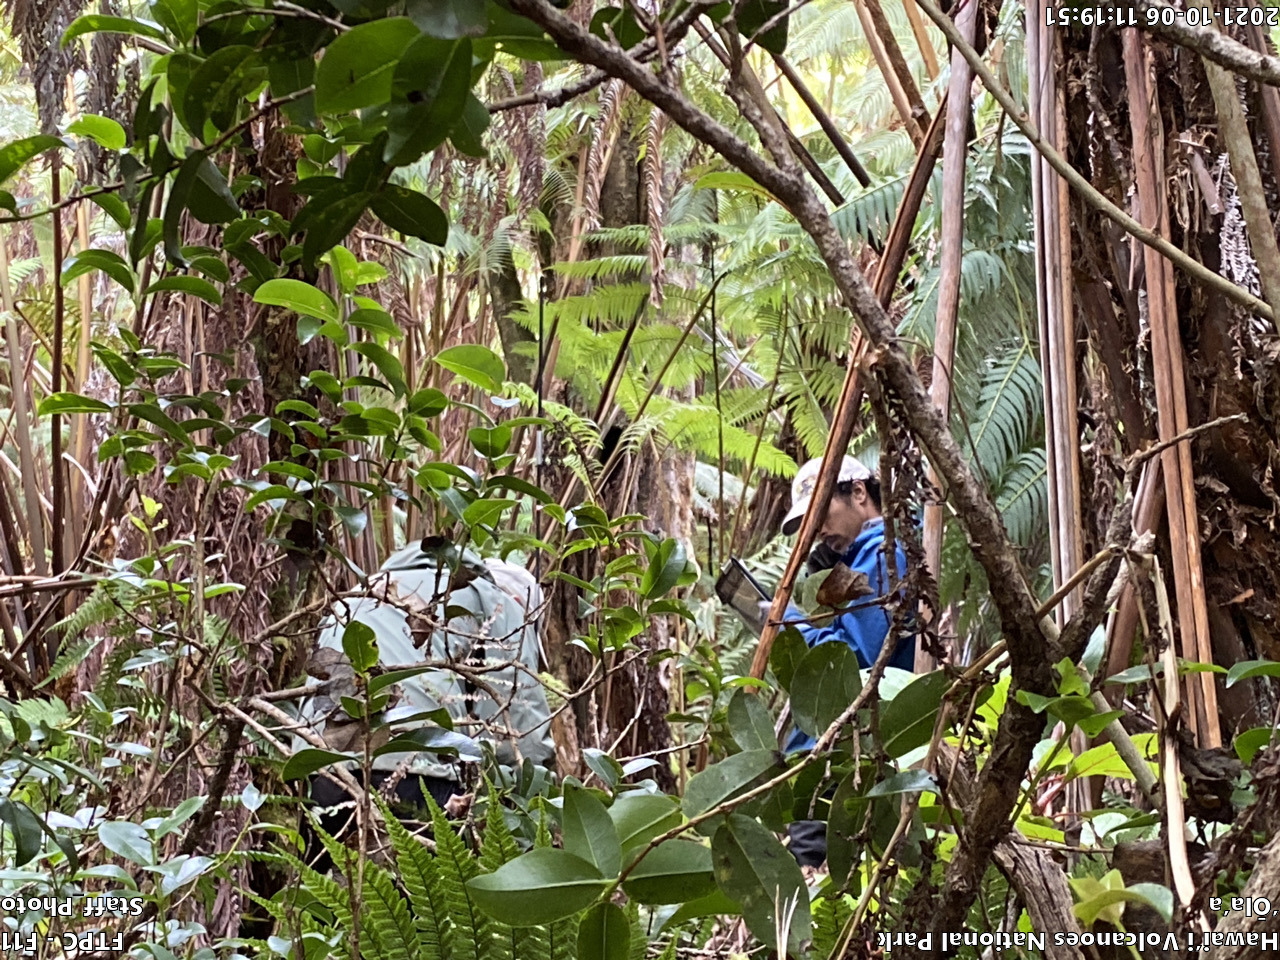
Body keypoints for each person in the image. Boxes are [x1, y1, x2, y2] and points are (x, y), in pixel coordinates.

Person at [295, 540, 554, 833]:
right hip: (417, 769)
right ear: (520, 602)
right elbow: (521, 731)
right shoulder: (498, 602)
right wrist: (536, 816)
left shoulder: (361, 592)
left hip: (320, 768)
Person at [780, 454, 916, 866]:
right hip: (833, 758)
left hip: (845, 760)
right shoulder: (861, 559)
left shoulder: (883, 553)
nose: (819, 531)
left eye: (822, 514)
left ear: (859, 493)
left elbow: (854, 658)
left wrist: (792, 626)